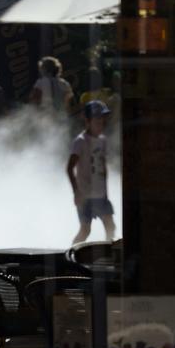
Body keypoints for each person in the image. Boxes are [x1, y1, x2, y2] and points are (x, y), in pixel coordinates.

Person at [67, 100, 116, 244]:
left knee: (110, 226)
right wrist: (76, 192)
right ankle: (70, 255)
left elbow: (103, 166)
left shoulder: (102, 140)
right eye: (97, 120)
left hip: (100, 194)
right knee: (85, 230)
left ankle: (109, 254)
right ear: (88, 121)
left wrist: (106, 192)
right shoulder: (80, 141)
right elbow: (70, 167)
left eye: (102, 119)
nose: (101, 123)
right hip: (85, 195)